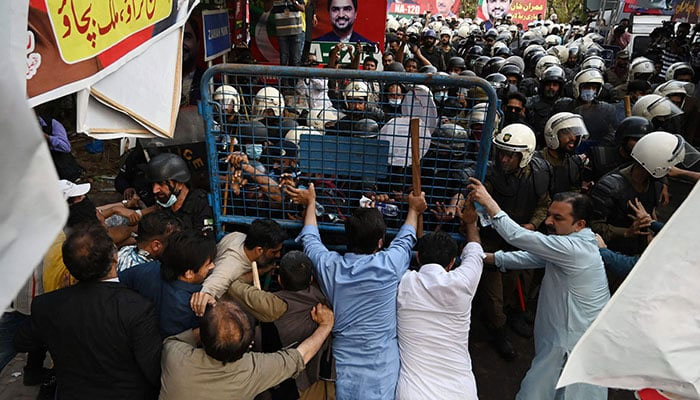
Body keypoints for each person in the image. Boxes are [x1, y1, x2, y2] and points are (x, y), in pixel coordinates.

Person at [287, 182, 427, 400]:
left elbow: (310, 239)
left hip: (342, 374)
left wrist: (311, 203)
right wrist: (414, 209)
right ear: (380, 242)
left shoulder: (330, 267)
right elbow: (406, 237)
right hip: (383, 376)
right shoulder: (390, 264)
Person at [473, 182, 610, 400]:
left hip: (568, 345)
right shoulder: (577, 244)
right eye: (549, 215)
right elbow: (532, 258)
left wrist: (488, 202)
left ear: (579, 224)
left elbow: (517, 236)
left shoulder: (573, 250)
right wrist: (488, 258)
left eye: (558, 218)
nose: (548, 222)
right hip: (570, 342)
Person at [15, 222, 162, 399]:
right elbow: (154, 370)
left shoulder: (46, 305)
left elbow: (22, 342)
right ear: (115, 256)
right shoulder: (137, 308)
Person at [212, 250, 334, 399]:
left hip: (287, 380)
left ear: (279, 279)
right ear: (311, 280)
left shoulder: (272, 305)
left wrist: (262, 270)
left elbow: (234, 285)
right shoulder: (326, 297)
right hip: (315, 380)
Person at [160, 300, 334, 400]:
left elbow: (176, 340)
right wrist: (326, 325)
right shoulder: (252, 370)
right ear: (248, 345)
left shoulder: (174, 355)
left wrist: (215, 326)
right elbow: (300, 357)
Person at [395, 207, 484, 400]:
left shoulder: (402, 283)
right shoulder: (464, 282)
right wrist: (470, 223)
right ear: (452, 263)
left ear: (417, 258)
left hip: (413, 392)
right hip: (461, 391)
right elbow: (475, 250)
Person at [480, 124, 552, 360]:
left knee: (517, 282)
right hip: (491, 240)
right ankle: (498, 330)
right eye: (501, 152)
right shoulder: (489, 175)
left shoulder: (540, 173)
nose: (503, 159)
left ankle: (513, 315)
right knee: (493, 295)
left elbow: (543, 205)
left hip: (521, 239)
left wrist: (532, 225)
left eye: (510, 155)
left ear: (525, 156)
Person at [589, 132, 686, 256]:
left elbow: (651, 211)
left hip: (641, 249)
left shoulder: (655, 183)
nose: (672, 170)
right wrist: (626, 232)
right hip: (613, 254)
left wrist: (651, 231)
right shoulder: (609, 187)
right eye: (669, 166)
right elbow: (594, 226)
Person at [119, 230, 216, 337]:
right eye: (208, 264)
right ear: (189, 273)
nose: (212, 266)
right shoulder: (193, 307)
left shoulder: (149, 269)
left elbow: (119, 283)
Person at [191, 219, 287, 302]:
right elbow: (207, 290)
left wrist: (261, 271)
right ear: (259, 250)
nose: (278, 255)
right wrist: (206, 296)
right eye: (274, 252)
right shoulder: (230, 269)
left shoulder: (237, 236)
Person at [145, 153, 214, 237]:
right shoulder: (162, 206)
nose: (154, 190)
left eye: (161, 183)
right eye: (153, 185)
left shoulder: (199, 203)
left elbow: (205, 240)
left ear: (180, 184)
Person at [535, 112, 589, 195]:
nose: (573, 138)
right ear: (552, 135)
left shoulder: (574, 163)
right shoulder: (535, 162)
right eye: (566, 133)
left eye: (575, 132)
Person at [117, 211, 182, 272]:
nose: (179, 244)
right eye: (174, 240)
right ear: (156, 245)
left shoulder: (123, 251)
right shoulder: (150, 274)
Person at [272, 0, 307, 67]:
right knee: (283, 60)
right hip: (281, 30)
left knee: (295, 60)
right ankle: (284, 77)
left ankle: (295, 77)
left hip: (296, 29)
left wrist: (294, 1)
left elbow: (302, 8)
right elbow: (266, 8)